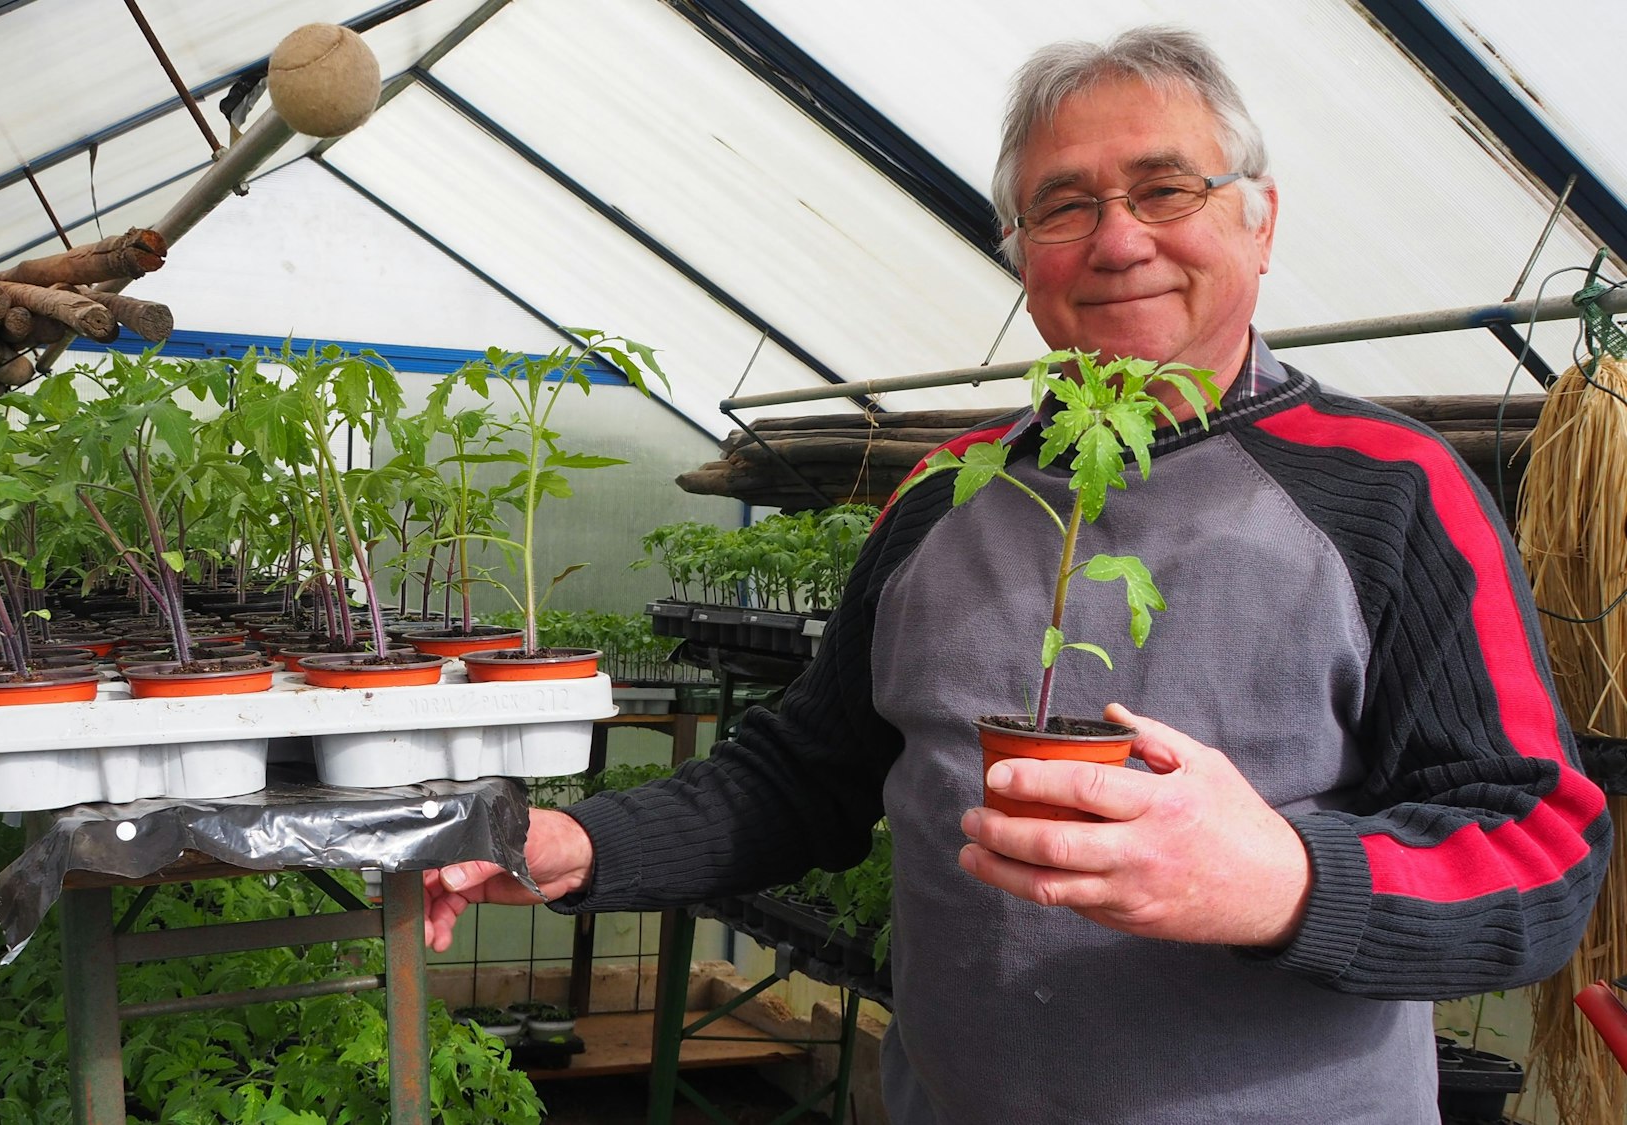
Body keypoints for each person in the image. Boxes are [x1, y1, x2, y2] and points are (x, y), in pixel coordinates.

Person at [424, 25, 1612, 1124]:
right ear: (1022, 259)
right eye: (1062, 206)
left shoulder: (1388, 491)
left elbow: (1536, 848)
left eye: (1164, 188)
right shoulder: (943, 494)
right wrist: (576, 846)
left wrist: (1285, 880)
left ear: (1257, 221)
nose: (1115, 238)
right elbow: (809, 774)